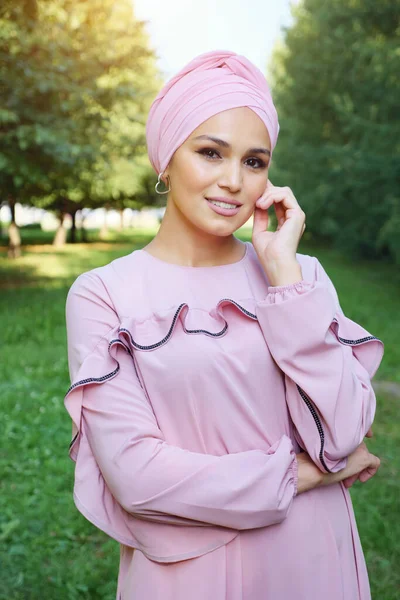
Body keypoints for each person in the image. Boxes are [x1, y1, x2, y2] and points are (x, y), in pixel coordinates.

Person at [64, 50, 384, 600]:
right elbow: (138, 477)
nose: (233, 181)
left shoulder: (301, 277)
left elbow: (343, 433)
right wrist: (306, 475)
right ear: (167, 160)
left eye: (254, 162)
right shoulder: (103, 294)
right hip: (185, 573)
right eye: (210, 152)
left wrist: (283, 278)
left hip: (310, 559)